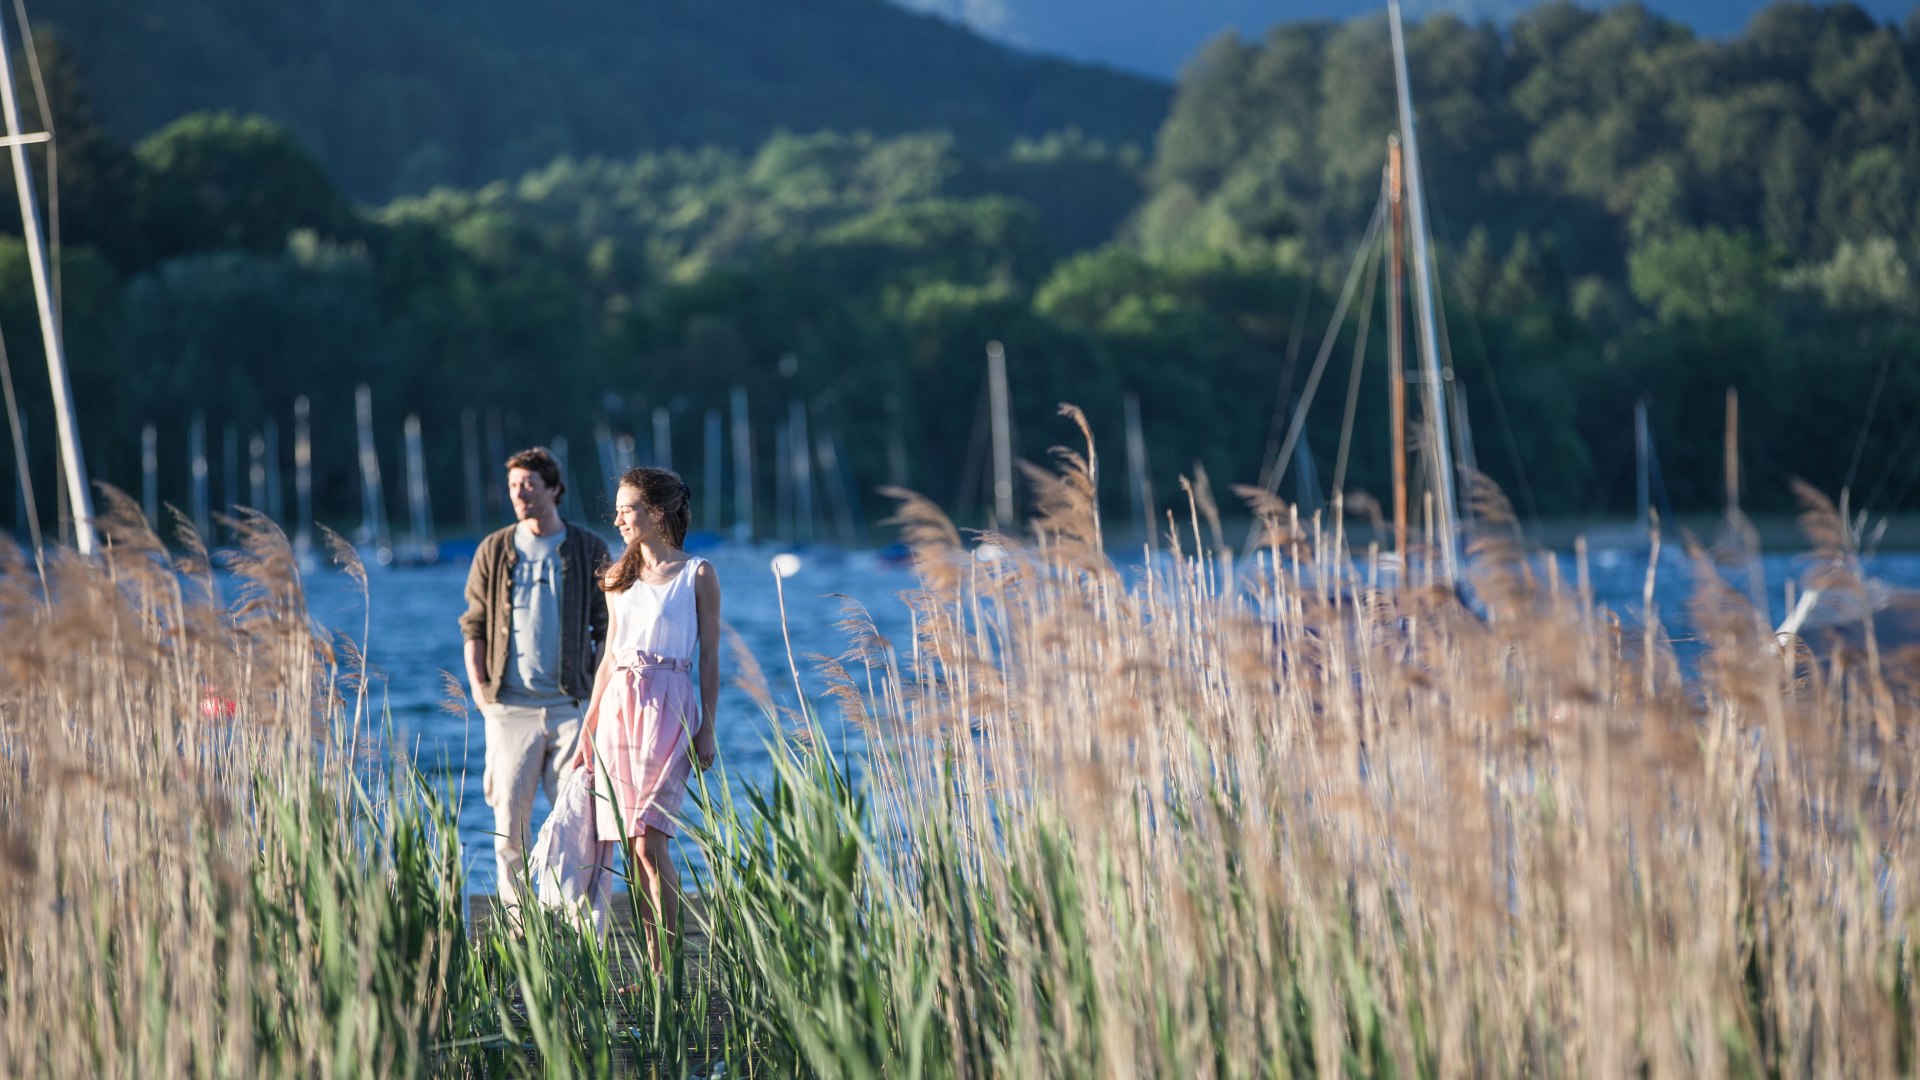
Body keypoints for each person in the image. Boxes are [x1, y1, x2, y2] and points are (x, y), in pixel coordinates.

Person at [573, 465, 719, 963]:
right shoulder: (618, 578)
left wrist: (708, 727)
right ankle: (652, 962)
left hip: (670, 708)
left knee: (653, 840)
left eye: (626, 509)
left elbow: (711, 659)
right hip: (619, 712)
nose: (617, 520)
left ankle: (670, 968)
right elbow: (609, 658)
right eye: (615, 510)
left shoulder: (697, 574)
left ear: (655, 513)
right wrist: (587, 730)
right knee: (633, 849)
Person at [459, 446, 611, 907]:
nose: (519, 493)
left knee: (582, 820)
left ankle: (583, 924)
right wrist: (483, 696)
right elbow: (474, 625)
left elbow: (606, 628)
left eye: (528, 484)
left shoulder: (588, 548)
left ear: (554, 489)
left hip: (572, 706)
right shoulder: (494, 548)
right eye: (513, 486)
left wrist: (599, 701)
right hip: (509, 707)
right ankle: (518, 924)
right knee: (509, 824)